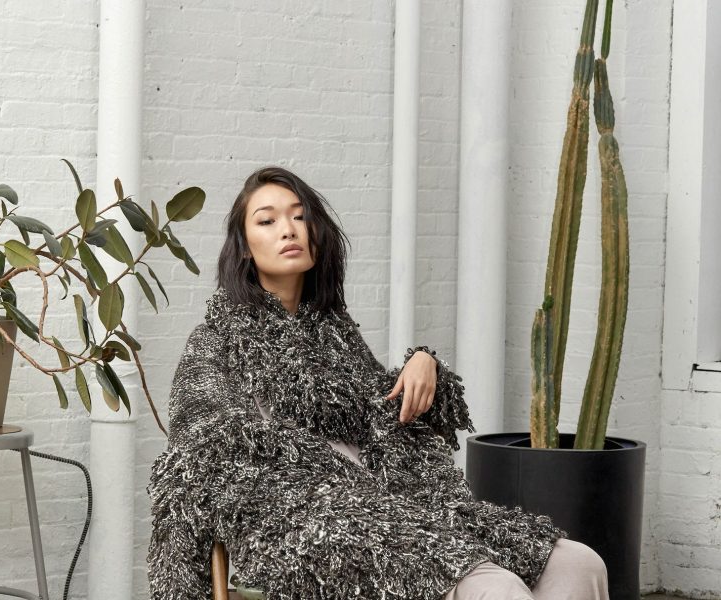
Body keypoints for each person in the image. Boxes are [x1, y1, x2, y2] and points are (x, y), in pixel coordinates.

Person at [147, 166, 609, 599]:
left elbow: (384, 411)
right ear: (245, 247)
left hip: (404, 504)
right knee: (496, 589)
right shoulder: (217, 340)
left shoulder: (336, 335)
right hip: (311, 524)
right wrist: (321, 473)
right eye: (267, 221)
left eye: (300, 217)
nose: (288, 229)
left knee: (579, 564)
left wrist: (424, 362)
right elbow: (200, 451)